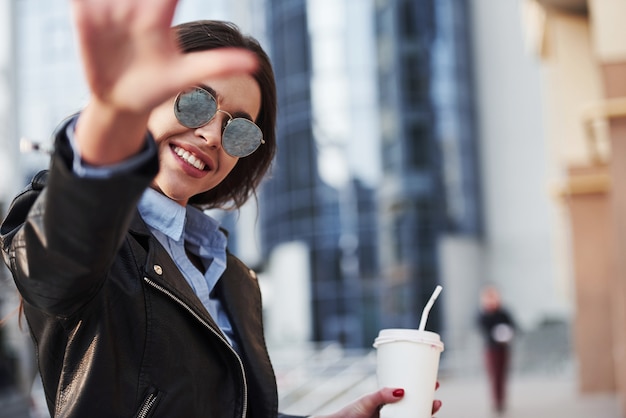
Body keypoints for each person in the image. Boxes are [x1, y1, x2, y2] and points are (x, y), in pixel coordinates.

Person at [0, 1, 442, 417]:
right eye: (195, 102)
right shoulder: (91, 232)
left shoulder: (232, 277)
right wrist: (106, 134)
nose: (212, 136)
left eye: (240, 132)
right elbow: (54, 264)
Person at [477, 285, 516, 415]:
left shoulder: (504, 313)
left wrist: (507, 334)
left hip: (504, 349)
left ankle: (502, 400)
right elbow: (482, 329)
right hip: (491, 349)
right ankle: (496, 402)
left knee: (502, 375)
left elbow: (514, 326)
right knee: (494, 375)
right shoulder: (483, 315)